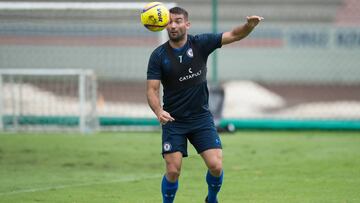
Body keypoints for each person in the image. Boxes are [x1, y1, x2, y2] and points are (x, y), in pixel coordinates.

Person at [146, 6, 263, 203]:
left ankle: (212, 199)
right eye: (170, 22)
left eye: (178, 21)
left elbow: (234, 35)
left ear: (187, 24)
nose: (173, 26)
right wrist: (159, 111)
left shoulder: (200, 43)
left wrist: (249, 26)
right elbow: (152, 90)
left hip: (201, 118)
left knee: (216, 166)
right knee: (173, 170)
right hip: (174, 120)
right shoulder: (158, 55)